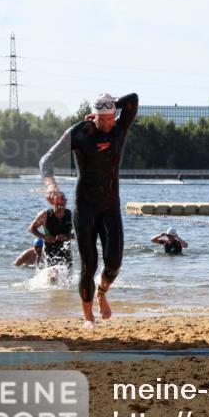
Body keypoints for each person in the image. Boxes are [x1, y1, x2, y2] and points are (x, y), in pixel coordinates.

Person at [40, 92, 139, 328]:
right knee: (89, 265)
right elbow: (46, 160)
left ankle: (102, 293)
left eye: (110, 118)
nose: (106, 124)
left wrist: (111, 105)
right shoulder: (80, 132)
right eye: (101, 119)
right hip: (84, 206)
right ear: (93, 115)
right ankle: (87, 317)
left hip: (110, 206)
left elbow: (133, 99)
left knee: (113, 263)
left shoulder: (119, 128)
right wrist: (51, 185)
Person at [29, 192, 75, 268]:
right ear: (52, 203)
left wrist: (67, 236)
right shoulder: (45, 215)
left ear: (65, 202)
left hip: (66, 251)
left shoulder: (71, 215)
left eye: (62, 204)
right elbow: (32, 228)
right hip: (49, 250)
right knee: (52, 276)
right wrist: (44, 237)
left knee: (67, 278)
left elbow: (80, 235)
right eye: (57, 204)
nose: (60, 207)